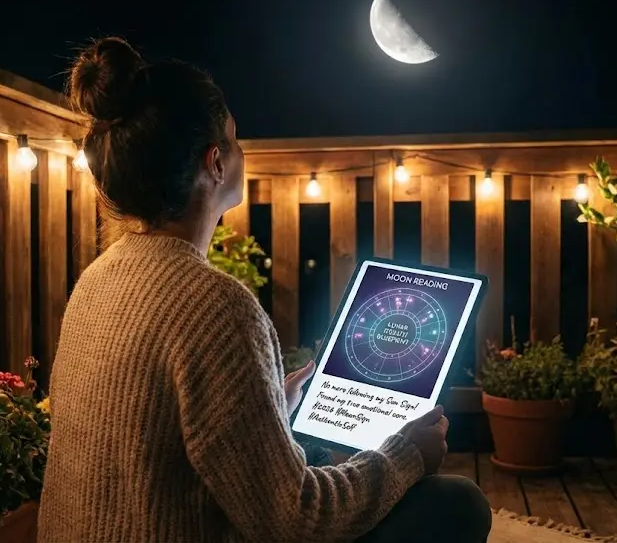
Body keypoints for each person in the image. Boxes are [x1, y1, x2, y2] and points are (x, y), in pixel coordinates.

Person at [37, 36, 493, 543]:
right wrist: (404, 455)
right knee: (458, 504)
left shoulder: (99, 278)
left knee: (313, 452)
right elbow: (295, 519)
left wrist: (266, 403)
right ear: (214, 163)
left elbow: (158, 436)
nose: (242, 150)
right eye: (234, 138)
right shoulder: (214, 305)